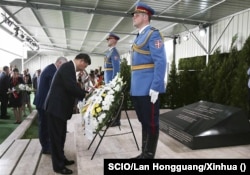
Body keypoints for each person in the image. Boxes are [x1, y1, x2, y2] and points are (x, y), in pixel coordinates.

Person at [130, 2, 167, 159]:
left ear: (145, 17)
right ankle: (144, 153)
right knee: (144, 121)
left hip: (148, 87)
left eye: (136, 14)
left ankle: (149, 156)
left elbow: (161, 61)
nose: (134, 17)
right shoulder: (140, 36)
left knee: (151, 122)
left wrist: (156, 86)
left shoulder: (153, 34)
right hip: (138, 88)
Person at [44, 53, 91, 174]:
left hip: (60, 110)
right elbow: (70, 87)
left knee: (61, 136)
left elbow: (70, 87)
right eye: (85, 65)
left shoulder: (69, 68)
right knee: (56, 138)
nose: (84, 68)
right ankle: (58, 166)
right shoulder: (67, 67)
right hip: (55, 109)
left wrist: (84, 92)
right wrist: (85, 94)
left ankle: (61, 159)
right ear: (81, 61)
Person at [33, 57, 68, 155]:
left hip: (43, 102)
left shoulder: (51, 68)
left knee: (45, 125)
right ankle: (45, 147)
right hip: (43, 102)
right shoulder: (52, 70)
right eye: (64, 66)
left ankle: (47, 145)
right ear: (59, 63)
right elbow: (55, 88)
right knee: (44, 125)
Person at [104, 32, 121, 127]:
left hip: (111, 81)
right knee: (110, 100)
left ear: (114, 40)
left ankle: (116, 120)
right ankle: (111, 118)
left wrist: (114, 82)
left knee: (114, 100)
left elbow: (117, 69)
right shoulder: (109, 52)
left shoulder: (114, 52)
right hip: (108, 80)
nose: (108, 40)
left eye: (109, 39)